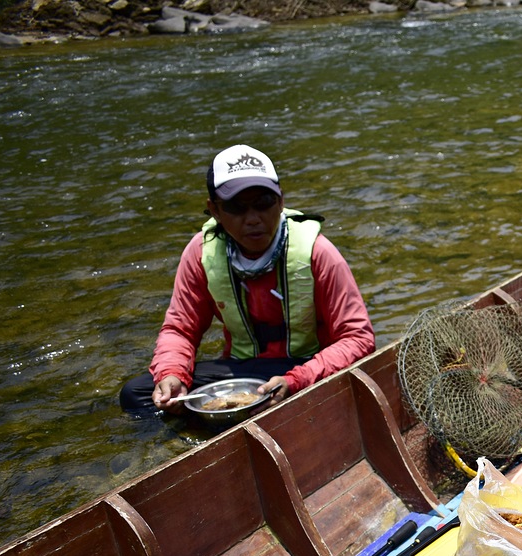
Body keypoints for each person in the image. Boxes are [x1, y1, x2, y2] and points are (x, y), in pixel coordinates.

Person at [120, 144, 376, 417]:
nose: (253, 219)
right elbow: (180, 330)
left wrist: (296, 380)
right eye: (236, 207)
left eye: (263, 203)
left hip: (308, 369)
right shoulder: (200, 254)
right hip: (242, 372)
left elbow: (358, 338)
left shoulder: (318, 252)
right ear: (215, 210)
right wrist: (172, 374)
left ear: (280, 201)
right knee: (137, 395)